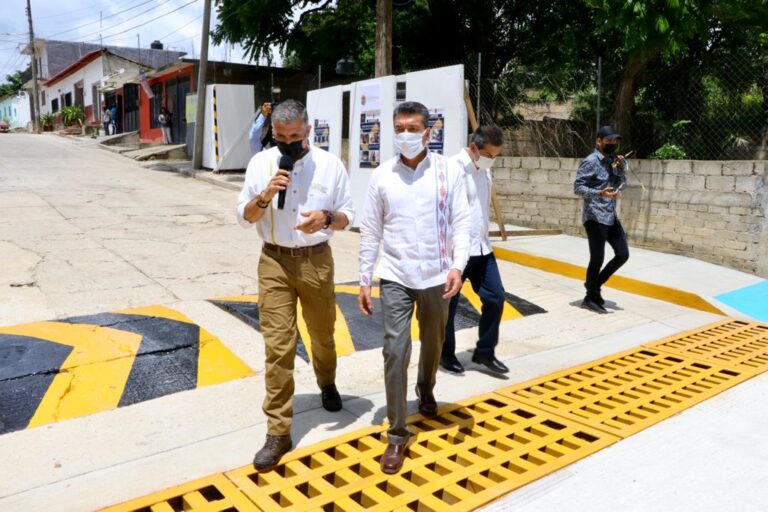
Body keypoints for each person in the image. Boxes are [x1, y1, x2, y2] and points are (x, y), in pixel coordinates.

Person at [236, 99, 355, 470]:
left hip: (316, 260)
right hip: (273, 260)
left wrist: (326, 217)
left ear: (307, 130)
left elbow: (348, 217)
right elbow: (245, 217)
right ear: (273, 133)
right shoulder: (261, 163)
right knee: (278, 346)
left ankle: (327, 381)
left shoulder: (330, 165)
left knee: (322, 335)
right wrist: (265, 195)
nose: (288, 142)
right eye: (280, 136)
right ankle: (278, 431)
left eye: (295, 136)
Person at [358, 101, 471, 475]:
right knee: (395, 349)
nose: (405, 135)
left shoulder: (447, 171)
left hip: (437, 275)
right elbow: (370, 231)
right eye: (399, 128)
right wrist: (363, 278)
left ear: (428, 132)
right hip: (395, 275)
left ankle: (425, 387)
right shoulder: (382, 176)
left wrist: (457, 265)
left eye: (412, 128)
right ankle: (396, 432)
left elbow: (461, 221)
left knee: (434, 341)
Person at [440, 125, 509, 375]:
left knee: (496, 298)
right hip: (456, 252)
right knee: (448, 307)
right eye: (490, 155)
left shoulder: (485, 172)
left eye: (496, 156)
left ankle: (484, 353)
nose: (493, 160)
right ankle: (445, 354)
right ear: (473, 148)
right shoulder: (450, 169)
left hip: (482, 248)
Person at [574, 125, 630, 313]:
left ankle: (593, 285)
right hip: (594, 216)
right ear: (599, 141)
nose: (612, 144)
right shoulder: (590, 161)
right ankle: (590, 298)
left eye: (615, 141)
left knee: (623, 254)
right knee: (597, 258)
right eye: (609, 141)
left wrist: (622, 169)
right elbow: (578, 188)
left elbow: (620, 185)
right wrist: (600, 192)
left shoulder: (613, 161)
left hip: (610, 215)